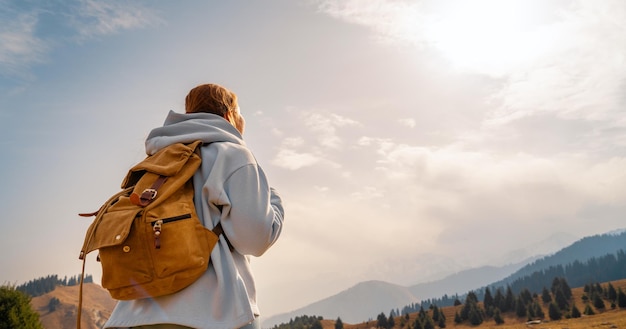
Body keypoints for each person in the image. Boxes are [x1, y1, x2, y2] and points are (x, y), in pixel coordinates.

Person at [104, 83, 285, 329]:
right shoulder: (233, 155)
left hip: (135, 313)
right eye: (241, 113)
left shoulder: (157, 160)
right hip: (215, 314)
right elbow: (255, 239)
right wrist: (274, 201)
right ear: (229, 115)